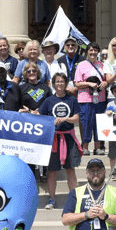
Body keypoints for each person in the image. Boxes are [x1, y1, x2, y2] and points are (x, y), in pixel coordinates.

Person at [40, 73, 80, 210]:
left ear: (66, 83)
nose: (59, 84)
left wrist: (65, 119)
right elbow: (40, 116)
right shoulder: (49, 101)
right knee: (52, 171)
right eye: (57, 81)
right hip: (53, 139)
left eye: (62, 81)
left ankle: (74, 199)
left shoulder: (72, 100)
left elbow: (76, 118)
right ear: (53, 83)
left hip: (68, 138)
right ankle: (52, 199)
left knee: (71, 170)